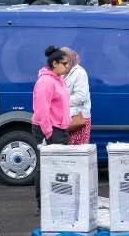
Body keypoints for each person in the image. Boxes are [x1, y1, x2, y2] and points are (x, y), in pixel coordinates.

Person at [32, 46, 71, 210]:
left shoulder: (58, 79)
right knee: (46, 167)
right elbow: (41, 111)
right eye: (64, 63)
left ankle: (56, 199)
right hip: (49, 130)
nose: (67, 66)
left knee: (58, 166)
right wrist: (48, 134)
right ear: (54, 63)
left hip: (59, 129)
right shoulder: (46, 82)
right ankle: (43, 204)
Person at [60, 47, 91, 145]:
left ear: (71, 59)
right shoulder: (63, 72)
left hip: (77, 119)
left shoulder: (79, 72)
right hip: (66, 118)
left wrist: (60, 101)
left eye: (64, 60)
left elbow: (81, 97)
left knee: (77, 153)